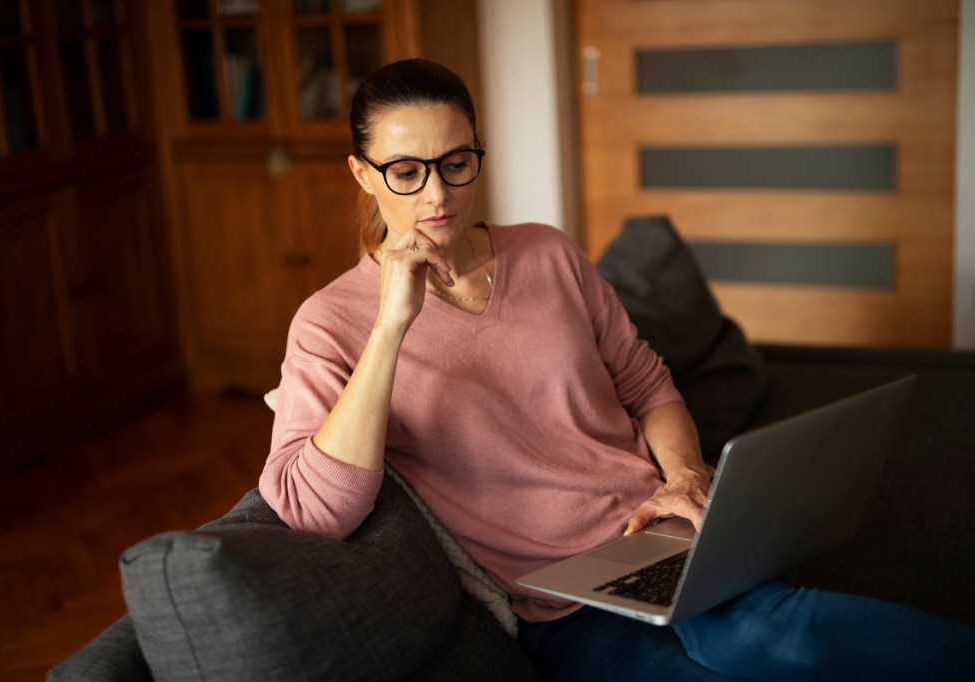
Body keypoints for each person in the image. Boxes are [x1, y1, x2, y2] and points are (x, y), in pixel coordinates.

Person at [259, 58, 974, 681]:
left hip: (661, 536)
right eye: (406, 172)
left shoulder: (547, 254)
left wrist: (687, 478)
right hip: (564, 609)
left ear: (479, 153)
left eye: (456, 163)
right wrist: (391, 327)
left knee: (779, 635)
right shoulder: (330, 322)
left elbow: (650, 386)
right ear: (362, 171)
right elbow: (315, 511)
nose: (438, 195)